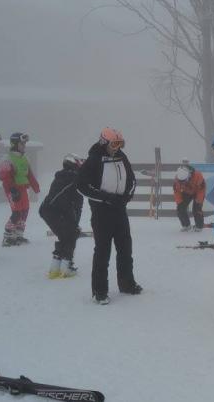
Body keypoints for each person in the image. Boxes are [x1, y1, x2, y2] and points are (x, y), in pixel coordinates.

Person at [77, 127, 141, 305]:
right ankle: (100, 291)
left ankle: (127, 283)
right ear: (104, 142)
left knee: (125, 248)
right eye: (114, 144)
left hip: (119, 209)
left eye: (120, 144)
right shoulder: (94, 159)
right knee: (103, 252)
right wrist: (105, 198)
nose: (117, 147)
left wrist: (126, 197)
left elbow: (132, 180)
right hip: (102, 212)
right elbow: (82, 186)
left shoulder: (122, 156)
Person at [40, 154, 85, 279]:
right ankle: (66, 267)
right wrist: (74, 223)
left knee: (65, 236)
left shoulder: (62, 176)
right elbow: (76, 205)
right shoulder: (75, 179)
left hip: (46, 209)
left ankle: (55, 268)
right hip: (56, 211)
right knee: (71, 235)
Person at [0, 132, 40, 246]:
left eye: (25, 143)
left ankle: (18, 235)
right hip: (12, 190)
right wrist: (12, 189)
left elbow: (29, 173)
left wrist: (35, 186)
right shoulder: (7, 159)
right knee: (16, 213)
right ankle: (7, 237)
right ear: (15, 144)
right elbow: (5, 177)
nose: (24, 146)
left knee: (25, 211)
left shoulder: (24, 158)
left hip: (23, 188)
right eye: (22, 144)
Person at [173, 164, 206, 232]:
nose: (182, 183)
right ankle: (186, 225)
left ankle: (199, 226)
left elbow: (202, 189)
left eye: (184, 181)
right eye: (181, 182)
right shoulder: (177, 180)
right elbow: (177, 192)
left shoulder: (198, 175)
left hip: (198, 191)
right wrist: (179, 202)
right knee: (180, 209)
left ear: (189, 175)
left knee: (197, 209)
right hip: (186, 192)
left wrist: (198, 201)